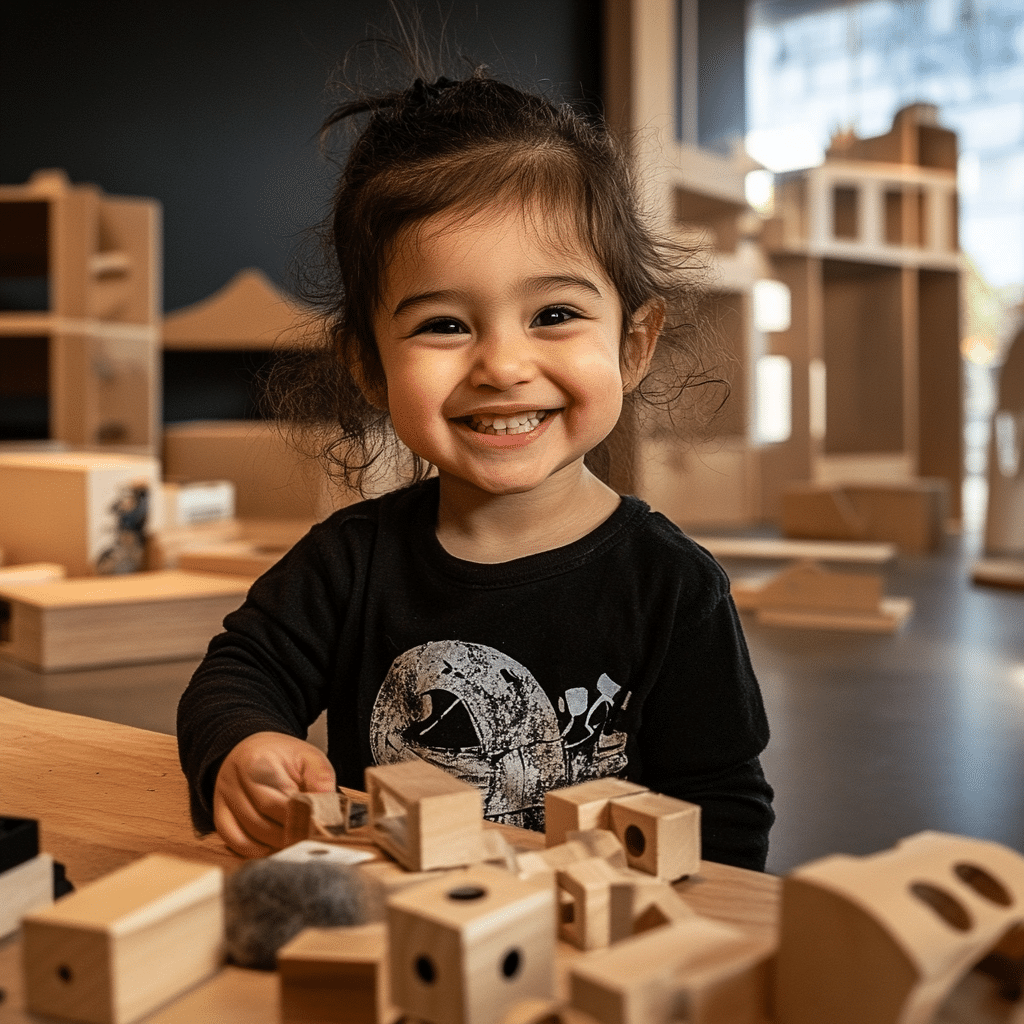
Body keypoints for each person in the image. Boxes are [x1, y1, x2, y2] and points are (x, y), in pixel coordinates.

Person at [176, 66, 774, 871]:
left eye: (554, 315)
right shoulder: (351, 562)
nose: (502, 364)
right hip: (404, 933)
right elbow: (239, 676)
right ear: (369, 367)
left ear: (634, 345)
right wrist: (244, 747)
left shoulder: (671, 586)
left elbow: (725, 807)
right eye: (445, 323)